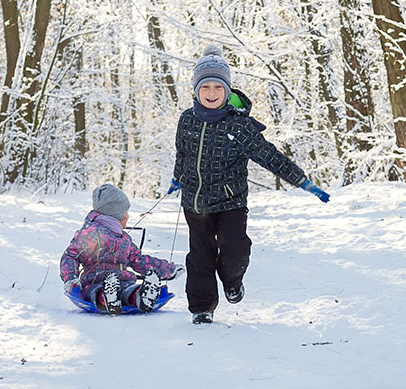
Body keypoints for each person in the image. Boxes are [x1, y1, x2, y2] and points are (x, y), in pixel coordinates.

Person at [168, 45, 330, 324]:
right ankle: (202, 308)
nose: (211, 92)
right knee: (200, 257)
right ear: (195, 89)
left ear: (227, 90)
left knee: (235, 250)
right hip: (195, 203)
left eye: (217, 87)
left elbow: (269, 156)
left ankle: (232, 281)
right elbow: (182, 153)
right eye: (204, 86)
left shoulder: (238, 126)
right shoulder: (187, 120)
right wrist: (177, 177)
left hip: (230, 201)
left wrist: (303, 182)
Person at [59, 183, 179, 314]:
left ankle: (141, 295)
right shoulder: (91, 234)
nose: (127, 216)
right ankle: (110, 296)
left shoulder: (123, 238)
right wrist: (71, 279)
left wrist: (168, 269)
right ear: (116, 216)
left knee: (128, 289)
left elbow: (139, 260)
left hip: (122, 281)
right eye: (125, 213)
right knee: (96, 291)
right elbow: (72, 255)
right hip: (94, 281)